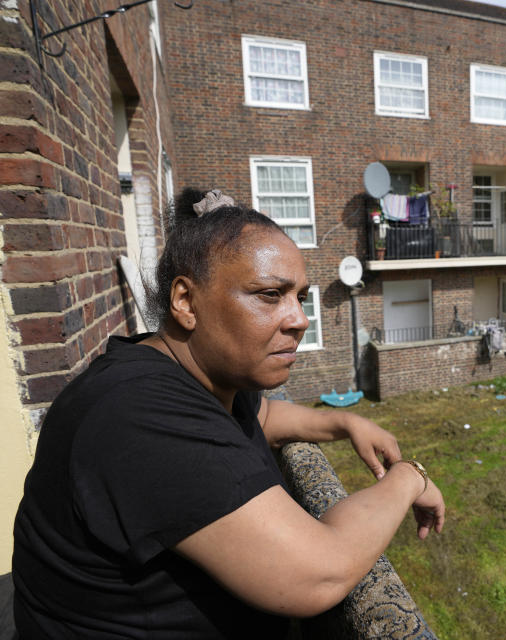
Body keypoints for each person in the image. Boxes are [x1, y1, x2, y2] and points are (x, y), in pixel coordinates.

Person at [12, 188, 445, 638]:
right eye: (270, 294)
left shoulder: (183, 375)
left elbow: (258, 419)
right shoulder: (138, 415)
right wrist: (409, 478)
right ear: (185, 300)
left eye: (299, 295)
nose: (299, 319)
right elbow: (319, 573)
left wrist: (344, 422)